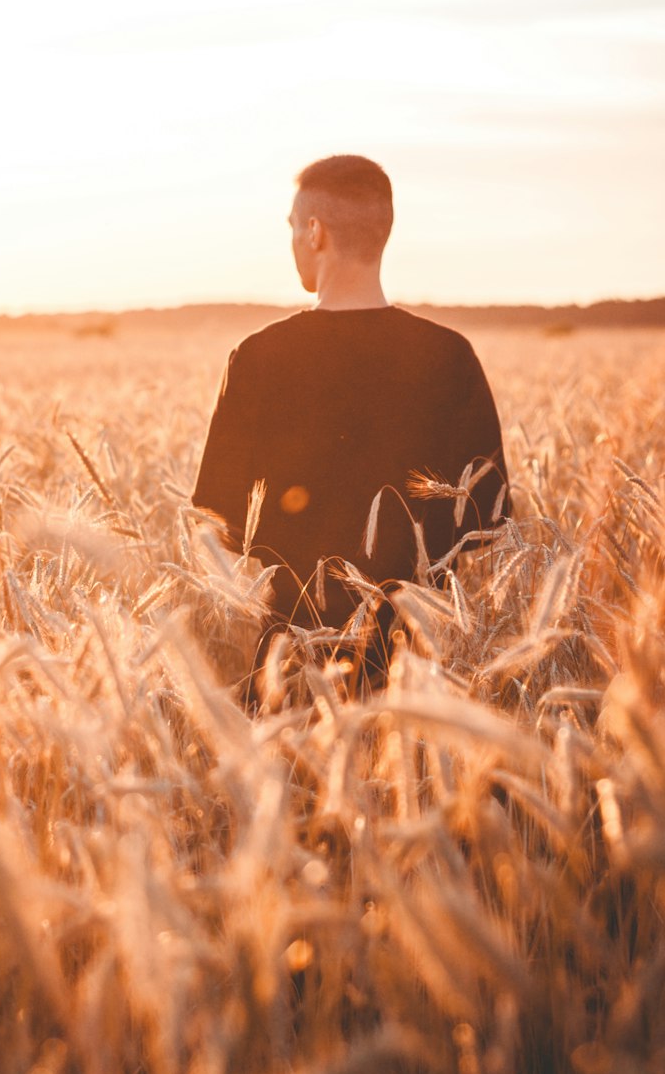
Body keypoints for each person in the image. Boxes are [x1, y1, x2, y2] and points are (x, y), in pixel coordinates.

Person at [192, 154, 509, 691]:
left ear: (314, 232)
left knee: (287, 779)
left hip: (289, 665)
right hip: (417, 669)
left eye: (294, 227)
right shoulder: (450, 357)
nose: (293, 240)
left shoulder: (257, 357)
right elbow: (482, 523)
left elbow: (225, 524)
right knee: (414, 780)